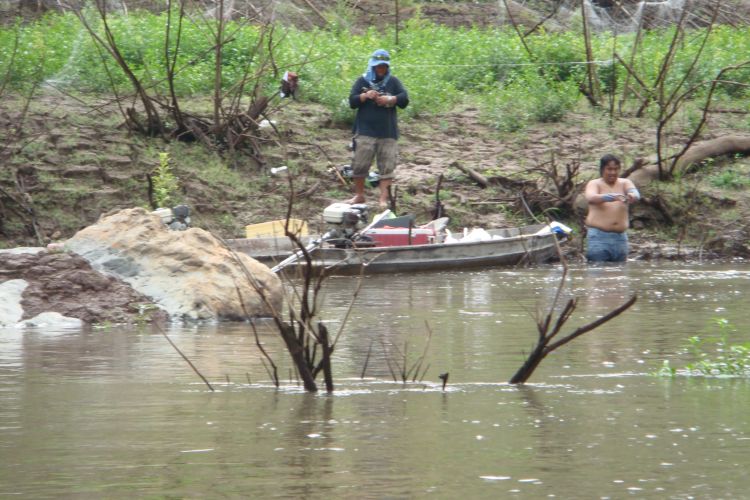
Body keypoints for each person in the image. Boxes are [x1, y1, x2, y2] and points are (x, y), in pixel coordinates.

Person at [347, 49, 409, 207]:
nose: (381, 70)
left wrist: (389, 99)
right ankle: (359, 195)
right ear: (372, 67)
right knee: (360, 164)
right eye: (378, 67)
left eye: (384, 67)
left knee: (387, 166)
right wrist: (365, 96)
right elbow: (352, 102)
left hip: (387, 132)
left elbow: (404, 99)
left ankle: (383, 199)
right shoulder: (362, 81)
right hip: (365, 131)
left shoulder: (393, 82)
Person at [584, 154, 641, 262]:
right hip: (599, 238)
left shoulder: (625, 183)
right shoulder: (594, 184)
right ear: (602, 169)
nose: (613, 173)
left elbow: (635, 194)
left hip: (620, 238)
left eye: (616, 169)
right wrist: (610, 197)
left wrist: (632, 196)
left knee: (620, 274)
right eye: (609, 169)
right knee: (597, 272)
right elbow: (591, 197)